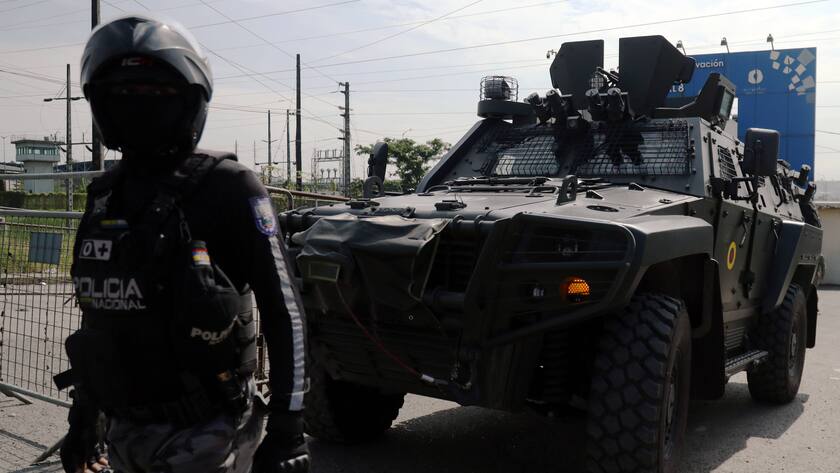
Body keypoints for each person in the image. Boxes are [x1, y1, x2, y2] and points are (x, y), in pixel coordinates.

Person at [58, 14, 309, 473]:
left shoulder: (229, 187)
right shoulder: (104, 196)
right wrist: (83, 421)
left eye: (157, 95)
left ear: (190, 102)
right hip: (124, 431)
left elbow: (284, 309)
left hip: (210, 434)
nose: (140, 108)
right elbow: (100, 321)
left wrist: (290, 428)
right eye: (123, 96)